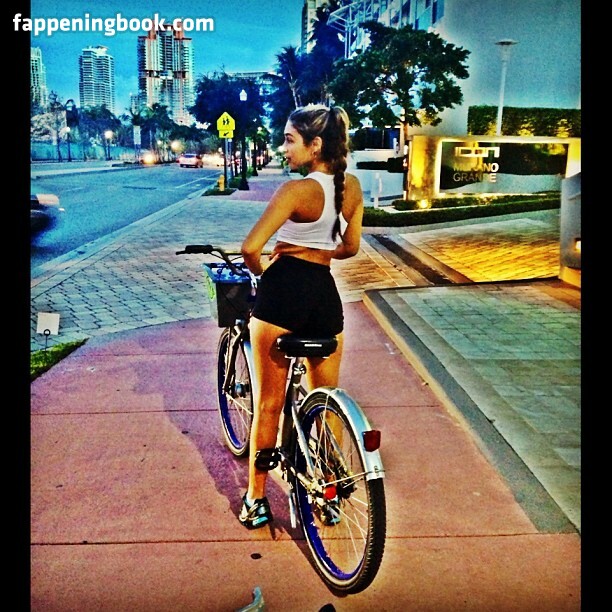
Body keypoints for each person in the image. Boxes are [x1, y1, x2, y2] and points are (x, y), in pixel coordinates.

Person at [238, 104, 364, 529]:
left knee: (269, 403)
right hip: (324, 296)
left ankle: (256, 498)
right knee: (326, 401)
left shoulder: (295, 191)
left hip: (283, 295)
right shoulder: (352, 188)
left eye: (290, 140)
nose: (283, 148)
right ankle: (329, 493)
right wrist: (315, 250)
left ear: (315, 146)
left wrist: (268, 271)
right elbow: (350, 248)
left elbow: (251, 248)